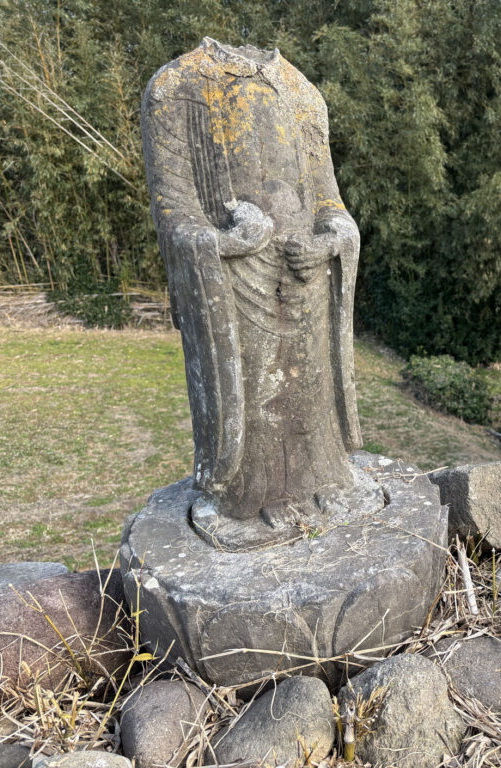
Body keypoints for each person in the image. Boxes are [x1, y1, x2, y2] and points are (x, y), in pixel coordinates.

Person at [141, 38, 361, 547]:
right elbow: (175, 215)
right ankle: (250, 502)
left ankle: (321, 488)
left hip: (305, 276)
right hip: (237, 281)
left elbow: (330, 201)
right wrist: (226, 242)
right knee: (255, 397)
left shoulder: (302, 93)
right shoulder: (177, 88)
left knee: (308, 393)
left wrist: (331, 241)